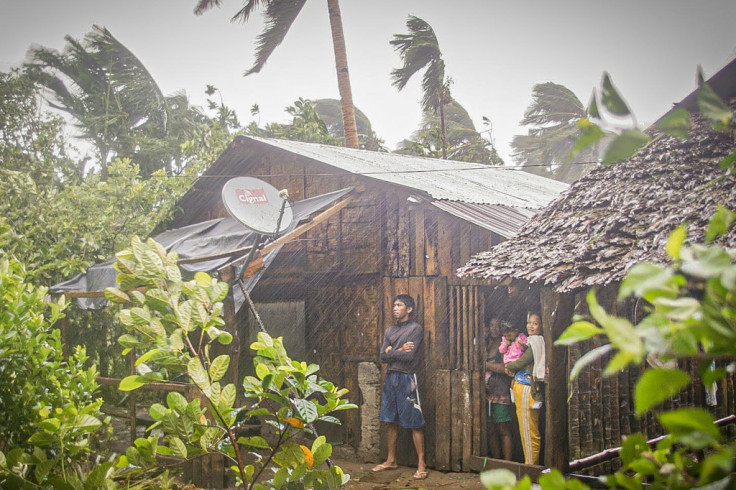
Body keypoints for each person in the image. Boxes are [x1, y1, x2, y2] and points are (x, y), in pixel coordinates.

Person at [371, 294, 428, 480]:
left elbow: (410, 357)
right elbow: (382, 357)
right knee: (390, 420)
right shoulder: (390, 331)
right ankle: (391, 460)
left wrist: (392, 352)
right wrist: (399, 350)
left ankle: (421, 464)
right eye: (394, 305)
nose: (395, 308)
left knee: (415, 422)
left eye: (399, 305)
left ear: (409, 309)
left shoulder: (416, 329)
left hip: (407, 378)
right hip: (391, 377)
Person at [505, 312, 546, 465]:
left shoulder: (535, 342)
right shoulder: (533, 342)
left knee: (529, 433)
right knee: (528, 431)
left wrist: (509, 366)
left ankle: (531, 467)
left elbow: (521, 362)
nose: (530, 326)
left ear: (541, 326)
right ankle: (531, 465)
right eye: (529, 322)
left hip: (527, 390)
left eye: (535, 323)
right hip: (524, 389)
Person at [484, 318, 514, 460]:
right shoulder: (486, 343)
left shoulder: (506, 345)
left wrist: (486, 365)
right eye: (491, 325)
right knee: (490, 430)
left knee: (503, 429)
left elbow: (505, 368)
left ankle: (507, 463)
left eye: (497, 326)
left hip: (500, 390)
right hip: (487, 392)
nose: (494, 329)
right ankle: (496, 461)